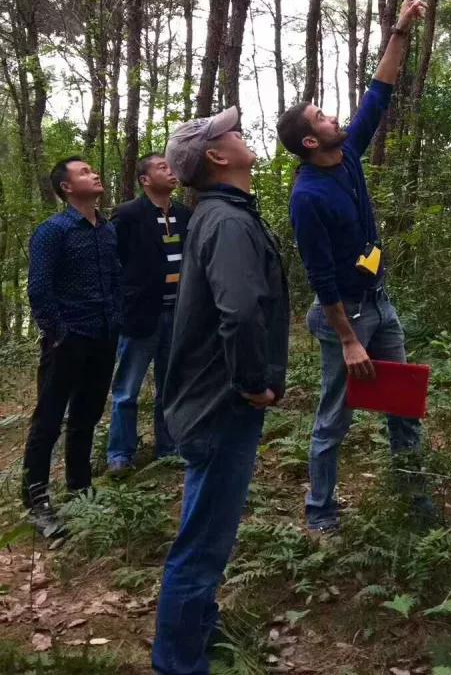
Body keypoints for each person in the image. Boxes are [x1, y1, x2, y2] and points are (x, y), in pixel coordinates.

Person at [276, 0, 430, 535]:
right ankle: (320, 513)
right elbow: (319, 276)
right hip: (344, 315)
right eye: (321, 116)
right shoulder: (306, 198)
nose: (333, 116)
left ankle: (414, 499)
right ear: (309, 142)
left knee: (403, 404)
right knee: (334, 417)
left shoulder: (349, 156)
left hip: (379, 302)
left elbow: (378, 93)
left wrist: (400, 30)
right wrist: (348, 340)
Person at [152, 106, 290, 675]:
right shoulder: (227, 222)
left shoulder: (219, 215)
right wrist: (254, 384)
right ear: (215, 155)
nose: (239, 134)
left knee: (205, 526)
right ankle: (179, 662)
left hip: (210, 399)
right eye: (228, 133)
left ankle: (199, 633)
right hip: (221, 403)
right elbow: (240, 311)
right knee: (203, 542)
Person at [23, 157, 121, 537]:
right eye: (84, 173)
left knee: (86, 416)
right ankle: (37, 502)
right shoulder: (53, 231)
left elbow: (115, 278)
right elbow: (39, 289)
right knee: (48, 421)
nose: (94, 174)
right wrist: (59, 333)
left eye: (92, 170)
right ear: (66, 188)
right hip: (68, 340)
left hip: (104, 336)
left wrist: (116, 319)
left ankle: (80, 490)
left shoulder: (106, 229)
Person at [107, 154, 192, 474]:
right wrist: (122, 302)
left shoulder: (184, 214)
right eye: (162, 168)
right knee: (127, 389)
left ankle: (168, 448)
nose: (170, 171)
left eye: (170, 166)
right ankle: (120, 454)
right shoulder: (128, 214)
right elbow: (112, 262)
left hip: (177, 314)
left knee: (170, 386)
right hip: (140, 315)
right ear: (145, 180)